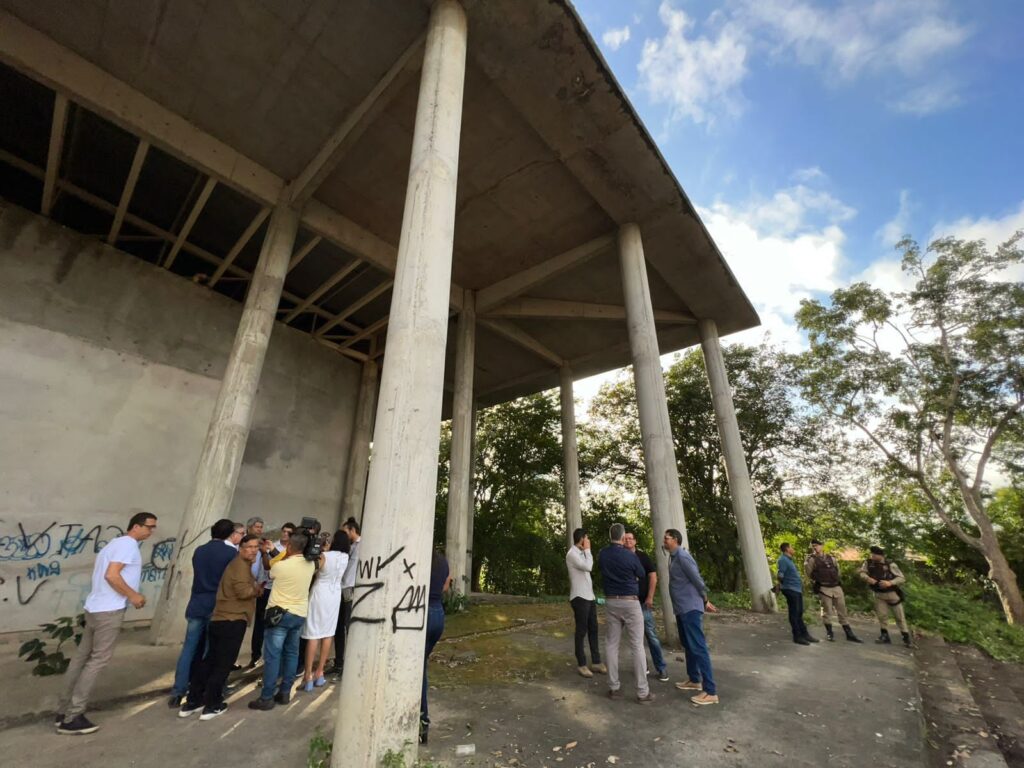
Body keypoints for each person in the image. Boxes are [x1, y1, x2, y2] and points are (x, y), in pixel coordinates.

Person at [55, 511, 157, 734]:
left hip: (95, 607)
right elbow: (112, 575)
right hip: (108, 610)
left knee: (81, 658)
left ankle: (63, 711)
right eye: (149, 527)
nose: (151, 531)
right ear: (136, 526)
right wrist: (133, 595)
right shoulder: (128, 545)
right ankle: (73, 717)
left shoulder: (114, 543)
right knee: (97, 661)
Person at [178, 535, 263, 720]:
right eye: (249, 547)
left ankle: (193, 700)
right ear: (240, 547)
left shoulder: (239, 565)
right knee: (222, 665)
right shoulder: (240, 566)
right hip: (232, 620)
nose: (254, 550)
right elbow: (243, 592)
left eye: (256, 547)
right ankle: (212, 704)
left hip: (221, 618)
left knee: (209, 661)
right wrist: (257, 589)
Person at [168, 518, 237, 708]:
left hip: (197, 601)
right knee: (211, 649)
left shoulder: (199, 550)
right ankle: (204, 688)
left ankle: (178, 690)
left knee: (189, 648)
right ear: (230, 534)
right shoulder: (231, 552)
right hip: (217, 604)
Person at [248, 531, 316, 711]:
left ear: (290, 547)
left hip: (279, 614)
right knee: (291, 654)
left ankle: (267, 696)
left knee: (272, 656)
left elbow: (270, 569)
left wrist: (280, 552)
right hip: (299, 613)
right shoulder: (310, 565)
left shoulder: (281, 566)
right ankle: (285, 692)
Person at [597, 523, 653, 704]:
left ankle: (614, 688)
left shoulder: (603, 554)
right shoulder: (629, 555)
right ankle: (642, 692)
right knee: (637, 645)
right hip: (630, 602)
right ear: (622, 538)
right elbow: (641, 573)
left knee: (611, 644)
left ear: (609, 536)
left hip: (611, 601)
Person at [663, 528, 719, 706]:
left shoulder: (683, 557)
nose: (664, 540)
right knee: (688, 645)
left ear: (676, 540)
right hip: (681, 608)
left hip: (690, 608)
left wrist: (705, 600)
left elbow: (697, 580)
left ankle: (710, 691)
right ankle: (694, 679)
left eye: (667, 538)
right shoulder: (672, 557)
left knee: (698, 647)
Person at [300, 531, 350, 691]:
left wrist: (322, 551)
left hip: (320, 591)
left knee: (313, 633)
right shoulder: (345, 557)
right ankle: (320, 672)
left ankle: (307, 675)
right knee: (328, 633)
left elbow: (312, 571)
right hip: (335, 593)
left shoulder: (324, 556)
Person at [623, 531, 668, 681]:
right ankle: (643, 666)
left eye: (631, 538)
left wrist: (650, 597)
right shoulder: (620, 557)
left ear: (635, 541)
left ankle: (661, 668)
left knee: (652, 636)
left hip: (643, 603)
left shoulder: (643, 557)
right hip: (627, 603)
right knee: (635, 639)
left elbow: (653, 577)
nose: (628, 541)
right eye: (625, 539)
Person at [421, 550, 451, 745]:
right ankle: (422, 723)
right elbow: (446, 585)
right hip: (438, 614)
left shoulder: (419, 556)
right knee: (421, 666)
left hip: (422, 613)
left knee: (419, 671)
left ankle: (423, 723)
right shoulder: (442, 560)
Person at [804, 539, 862, 643]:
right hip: (823, 588)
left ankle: (849, 634)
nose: (815, 547)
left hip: (836, 587)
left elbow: (838, 571)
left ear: (822, 546)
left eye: (817, 545)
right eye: (813, 546)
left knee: (842, 610)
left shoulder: (831, 558)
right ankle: (829, 633)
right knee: (827, 611)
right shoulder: (811, 559)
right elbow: (809, 573)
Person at [566, 528, 605, 678]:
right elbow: (588, 567)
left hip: (589, 597)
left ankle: (596, 661)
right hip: (579, 597)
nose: (588, 541)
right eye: (587, 538)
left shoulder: (581, 553)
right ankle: (581, 664)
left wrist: (586, 550)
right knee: (581, 631)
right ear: (582, 539)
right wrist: (588, 550)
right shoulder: (572, 554)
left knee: (593, 629)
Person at [858, 545, 911, 647]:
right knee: (882, 616)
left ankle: (906, 637)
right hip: (878, 594)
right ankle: (884, 636)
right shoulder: (868, 563)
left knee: (899, 617)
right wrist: (867, 579)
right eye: (871, 554)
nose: (872, 556)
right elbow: (862, 573)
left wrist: (890, 583)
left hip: (892, 594)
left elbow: (901, 578)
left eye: (874, 554)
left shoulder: (890, 564)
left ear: (880, 555)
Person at [328, 516, 361, 676]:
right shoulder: (351, 546)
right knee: (339, 627)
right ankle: (338, 662)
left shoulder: (362, 545)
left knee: (349, 626)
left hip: (350, 589)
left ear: (352, 530)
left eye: (345, 531)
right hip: (341, 588)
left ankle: (348, 664)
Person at [775, 542, 818, 645]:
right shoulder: (783, 560)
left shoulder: (789, 560)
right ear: (787, 549)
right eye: (791, 547)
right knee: (794, 613)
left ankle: (804, 634)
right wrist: (781, 586)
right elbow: (780, 575)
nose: (793, 549)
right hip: (790, 589)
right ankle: (797, 636)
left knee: (799, 613)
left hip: (796, 589)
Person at [247, 517, 272, 667]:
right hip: (245, 587)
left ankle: (256, 655)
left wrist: (261, 584)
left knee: (260, 622)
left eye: (261, 527)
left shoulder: (263, 547)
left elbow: (265, 568)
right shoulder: (244, 546)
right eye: (257, 527)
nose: (259, 529)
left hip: (259, 588)